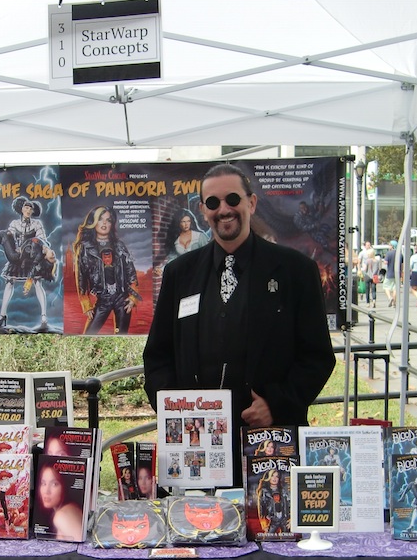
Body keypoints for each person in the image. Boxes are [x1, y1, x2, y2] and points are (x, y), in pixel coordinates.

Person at [143, 163, 336, 485]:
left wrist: (277, 403)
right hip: (196, 444)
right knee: (196, 529)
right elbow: (158, 356)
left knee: (268, 523)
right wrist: (174, 407)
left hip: (268, 441)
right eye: (213, 203)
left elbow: (317, 356)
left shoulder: (295, 271)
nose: (224, 210)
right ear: (204, 211)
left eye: (233, 199)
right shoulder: (180, 273)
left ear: (252, 203)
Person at [0, 197, 56, 332]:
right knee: (9, 282)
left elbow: (41, 240)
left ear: (33, 211)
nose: (28, 210)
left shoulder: (36, 224)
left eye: (30, 208)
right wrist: (10, 237)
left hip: (32, 257)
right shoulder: (15, 223)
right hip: (17, 256)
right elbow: (10, 236)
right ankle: (2, 316)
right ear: (21, 209)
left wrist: (37, 246)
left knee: (38, 283)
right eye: (26, 207)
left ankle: (44, 317)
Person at [72, 205, 142, 334]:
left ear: (112, 224)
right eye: (100, 219)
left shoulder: (119, 245)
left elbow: (131, 272)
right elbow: (81, 276)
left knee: (122, 336)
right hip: (103, 299)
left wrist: (133, 298)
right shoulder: (85, 248)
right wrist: (86, 303)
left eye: (108, 220)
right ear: (93, 222)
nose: (104, 223)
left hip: (122, 298)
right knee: (89, 334)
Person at [36, 462, 84, 541]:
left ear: (64, 486)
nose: (46, 491)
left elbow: (82, 546)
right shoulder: (71, 507)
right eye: (43, 483)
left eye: (54, 484)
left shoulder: (61, 515)